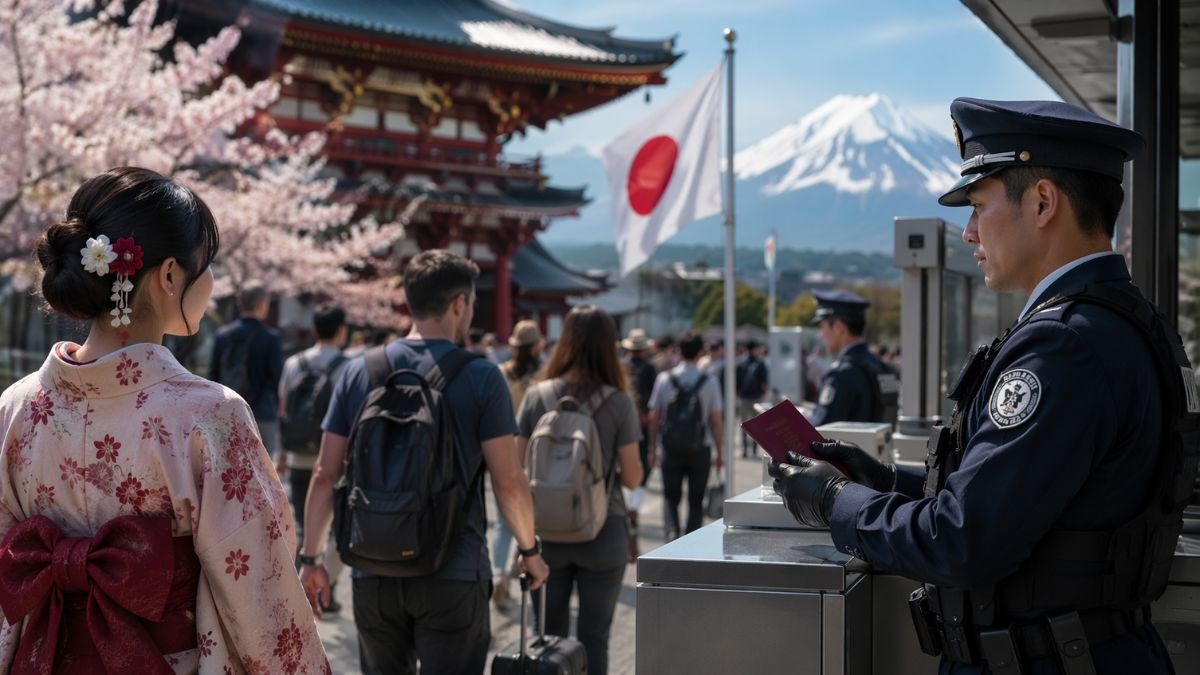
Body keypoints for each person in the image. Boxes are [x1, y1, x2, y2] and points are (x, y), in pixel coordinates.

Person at [770, 98, 1193, 674]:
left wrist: (834, 501)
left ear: (1043, 202)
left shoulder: (1064, 345)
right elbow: (1040, 498)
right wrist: (889, 480)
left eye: (977, 205)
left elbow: (962, 541)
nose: (968, 233)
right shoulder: (1118, 321)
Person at [0, 167, 327, 671]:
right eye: (207, 266)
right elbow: (259, 587)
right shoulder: (211, 416)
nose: (212, 283)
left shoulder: (17, 408)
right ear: (170, 274)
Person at [299, 250, 548, 674]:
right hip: (454, 570)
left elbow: (325, 474)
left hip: (373, 568)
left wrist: (311, 559)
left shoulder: (360, 373)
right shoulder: (483, 376)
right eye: (470, 303)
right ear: (458, 304)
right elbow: (508, 480)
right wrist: (529, 549)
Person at [516, 306, 643, 675]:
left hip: (545, 537)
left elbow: (518, 471)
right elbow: (633, 479)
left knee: (547, 638)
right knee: (594, 638)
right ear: (609, 346)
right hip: (603, 530)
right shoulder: (619, 403)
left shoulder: (536, 396)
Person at [277, 304, 349, 613]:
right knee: (336, 527)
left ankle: (296, 588)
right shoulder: (349, 366)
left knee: (301, 522)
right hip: (334, 459)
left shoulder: (294, 362)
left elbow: (284, 407)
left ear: (315, 329)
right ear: (342, 330)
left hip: (297, 453)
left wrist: (282, 451)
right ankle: (324, 588)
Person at [648, 332, 724, 540]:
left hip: (670, 447)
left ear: (678, 351)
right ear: (701, 352)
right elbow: (716, 421)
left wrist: (652, 449)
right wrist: (720, 452)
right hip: (700, 448)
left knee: (671, 497)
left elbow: (654, 417)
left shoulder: (665, 379)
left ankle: (671, 534)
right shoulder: (710, 382)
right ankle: (691, 543)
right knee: (696, 500)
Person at [491, 318, 545, 606]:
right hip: (539, 455)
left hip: (504, 452)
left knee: (502, 522)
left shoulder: (501, 374)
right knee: (531, 519)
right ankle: (527, 564)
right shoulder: (545, 377)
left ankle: (499, 573)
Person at [208, 282, 284, 458]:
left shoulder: (222, 335)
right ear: (262, 304)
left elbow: (213, 377)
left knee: (231, 468)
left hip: (229, 412)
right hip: (262, 412)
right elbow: (277, 378)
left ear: (239, 303)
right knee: (263, 471)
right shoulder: (270, 338)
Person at [807, 289, 900, 426]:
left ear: (839, 328)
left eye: (823, 327)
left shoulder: (841, 375)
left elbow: (819, 433)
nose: (821, 335)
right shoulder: (883, 368)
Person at [621, 327, 658, 559]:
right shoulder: (650, 369)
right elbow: (653, 403)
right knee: (642, 471)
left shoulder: (622, 367)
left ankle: (628, 514)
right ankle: (633, 509)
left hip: (622, 425)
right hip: (642, 427)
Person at [735, 339, 768, 457]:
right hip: (756, 397)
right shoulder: (760, 363)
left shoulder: (740, 363)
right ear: (754, 349)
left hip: (743, 397)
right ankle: (754, 449)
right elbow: (763, 383)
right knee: (756, 426)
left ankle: (744, 449)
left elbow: (737, 382)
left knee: (744, 424)